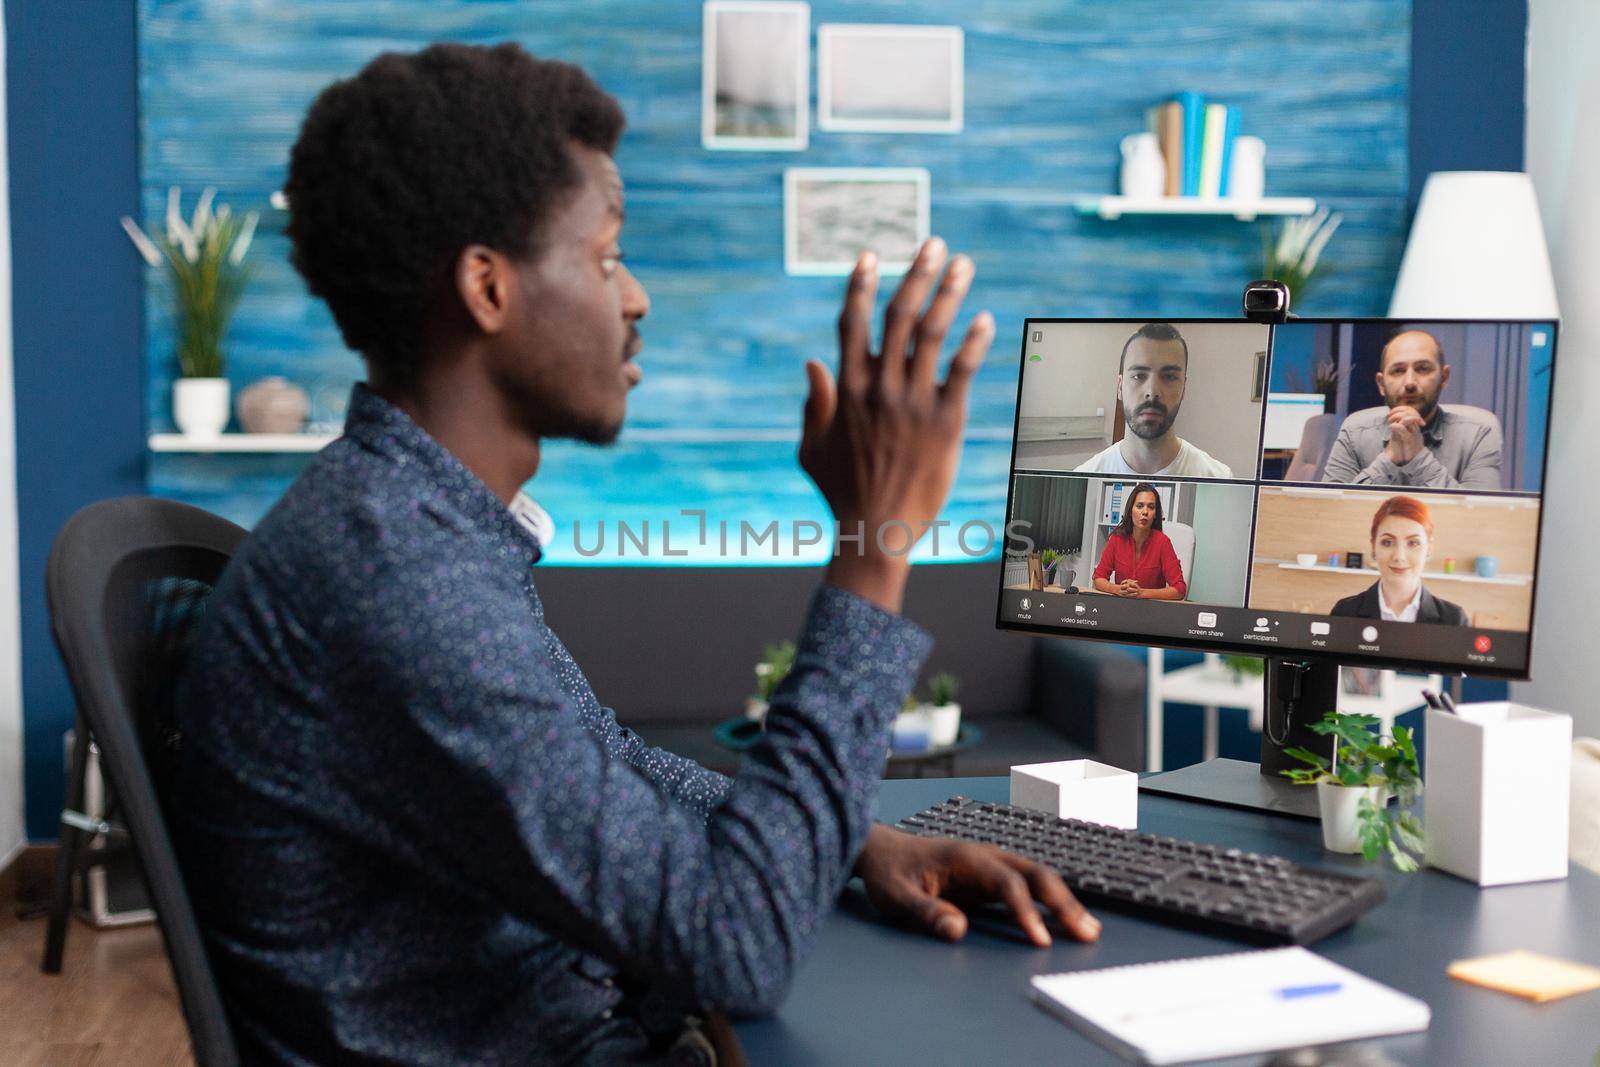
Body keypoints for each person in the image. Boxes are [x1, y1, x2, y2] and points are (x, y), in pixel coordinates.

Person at [169, 44, 1099, 1067]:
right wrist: (874, 541)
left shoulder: (413, 525)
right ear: (487, 287)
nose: (636, 296)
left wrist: (852, 840)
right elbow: (734, 942)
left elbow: (603, 766)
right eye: (607, 256)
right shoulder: (395, 576)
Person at [1320, 329, 1504, 488]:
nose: (1409, 383)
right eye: (1398, 371)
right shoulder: (1354, 432)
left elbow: (1481, 517)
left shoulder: (1478, 434)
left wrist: (1418, 457)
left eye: (1423, 369)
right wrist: (1388, 460)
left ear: (1444, 377)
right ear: (1381, 383)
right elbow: (1330, 510)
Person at [1074, 322, 1234, 478]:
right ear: (1120, 387)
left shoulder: (1218, 477)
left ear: (1183, 389)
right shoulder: (1086, 476)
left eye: (1169, 377)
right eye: (1138, 376)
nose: (1152, 391)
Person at [1330, 495, 1469, 624]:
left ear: (1429, 547)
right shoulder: (1344, 612)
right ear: (1373, 546)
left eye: (1413, 543)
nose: (1399, 557)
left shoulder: (1454, 620)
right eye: (1387, 542)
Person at [1091, 483, 1187, 600]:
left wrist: (1141, 593)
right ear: (1131, 510)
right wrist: (1116, 589)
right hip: (1121, 607)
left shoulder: (1163, 542)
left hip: (1151, 611)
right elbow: (1098, 578)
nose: (1145, 512)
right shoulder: (1117, 539)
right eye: (1140, 506)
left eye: (1151, 507)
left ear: (1156, 514)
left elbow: (1179, 589)